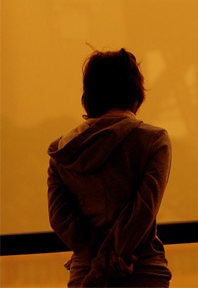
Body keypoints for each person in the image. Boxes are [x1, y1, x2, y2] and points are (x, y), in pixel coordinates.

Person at [48, 48, 173, 287]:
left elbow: (60, 218)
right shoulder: (154, 140)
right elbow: (143, 210)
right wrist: (110, 262)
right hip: (141, 270)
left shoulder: (61, 151)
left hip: (84, 272)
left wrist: (97, 266)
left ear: (89, 95)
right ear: (135, 92)